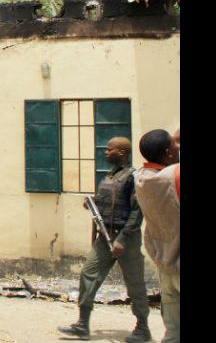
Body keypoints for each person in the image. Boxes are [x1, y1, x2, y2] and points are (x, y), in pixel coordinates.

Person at [58, 137, 151, 342]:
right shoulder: (110, 176)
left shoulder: (133, 177)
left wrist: (122, 240)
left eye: (110, 150)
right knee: (88, 274)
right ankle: (82, 324)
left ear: (122, 152)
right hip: (105, 237)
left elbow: (137, 213)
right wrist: (91, 203)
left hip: (125, 239)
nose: (106, 152)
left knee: (135, 284)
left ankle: (142, 328)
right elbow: (105, 201)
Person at [134, 129, 180, 343]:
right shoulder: (174, 177)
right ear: (169, 153)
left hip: (166, 264)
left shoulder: (142, 178)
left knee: (173, 332)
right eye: (175, 144)